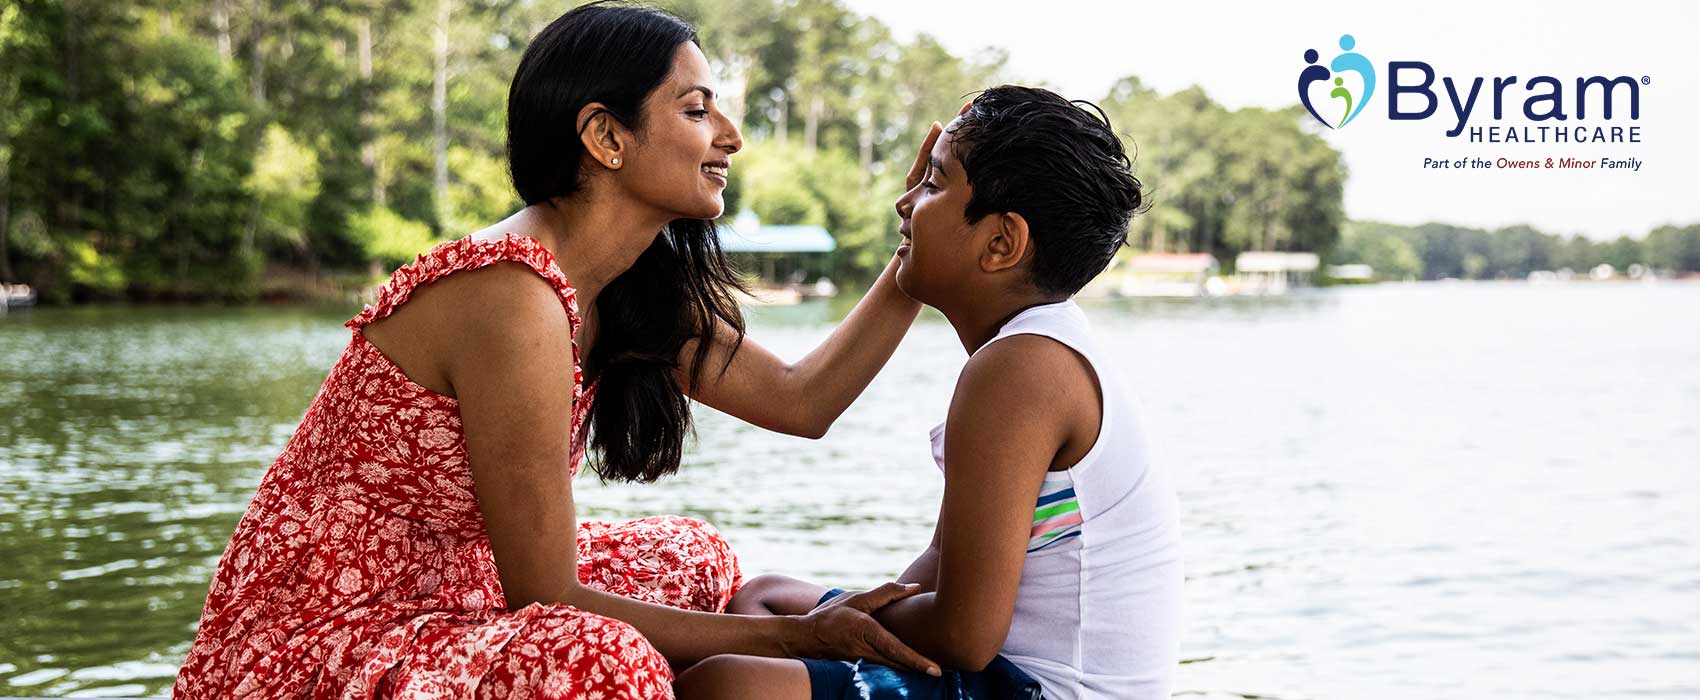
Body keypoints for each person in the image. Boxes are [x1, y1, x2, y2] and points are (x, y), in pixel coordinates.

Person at [172, 3, 947, 698]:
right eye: (696, 110)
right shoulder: (511, 293)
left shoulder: (625, 283)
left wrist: (920, 245)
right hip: (318, 634)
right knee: (603, 658)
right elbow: (545, 592)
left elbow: (801, 401)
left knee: (692, 556)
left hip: (454, 585)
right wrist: (793, 638)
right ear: (606, 136)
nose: (729, 137)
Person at [674, 86, 1184, 700]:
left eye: (933, 185)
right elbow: (941, 559)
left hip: (1049, 689)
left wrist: (836, 631)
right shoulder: (1032, 346)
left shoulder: (1021, 370)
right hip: (1000, 666)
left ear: (1001, 244)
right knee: (764, 596)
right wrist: (830, 627)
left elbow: (965, 636)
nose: (903, 201)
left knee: (730, 683)